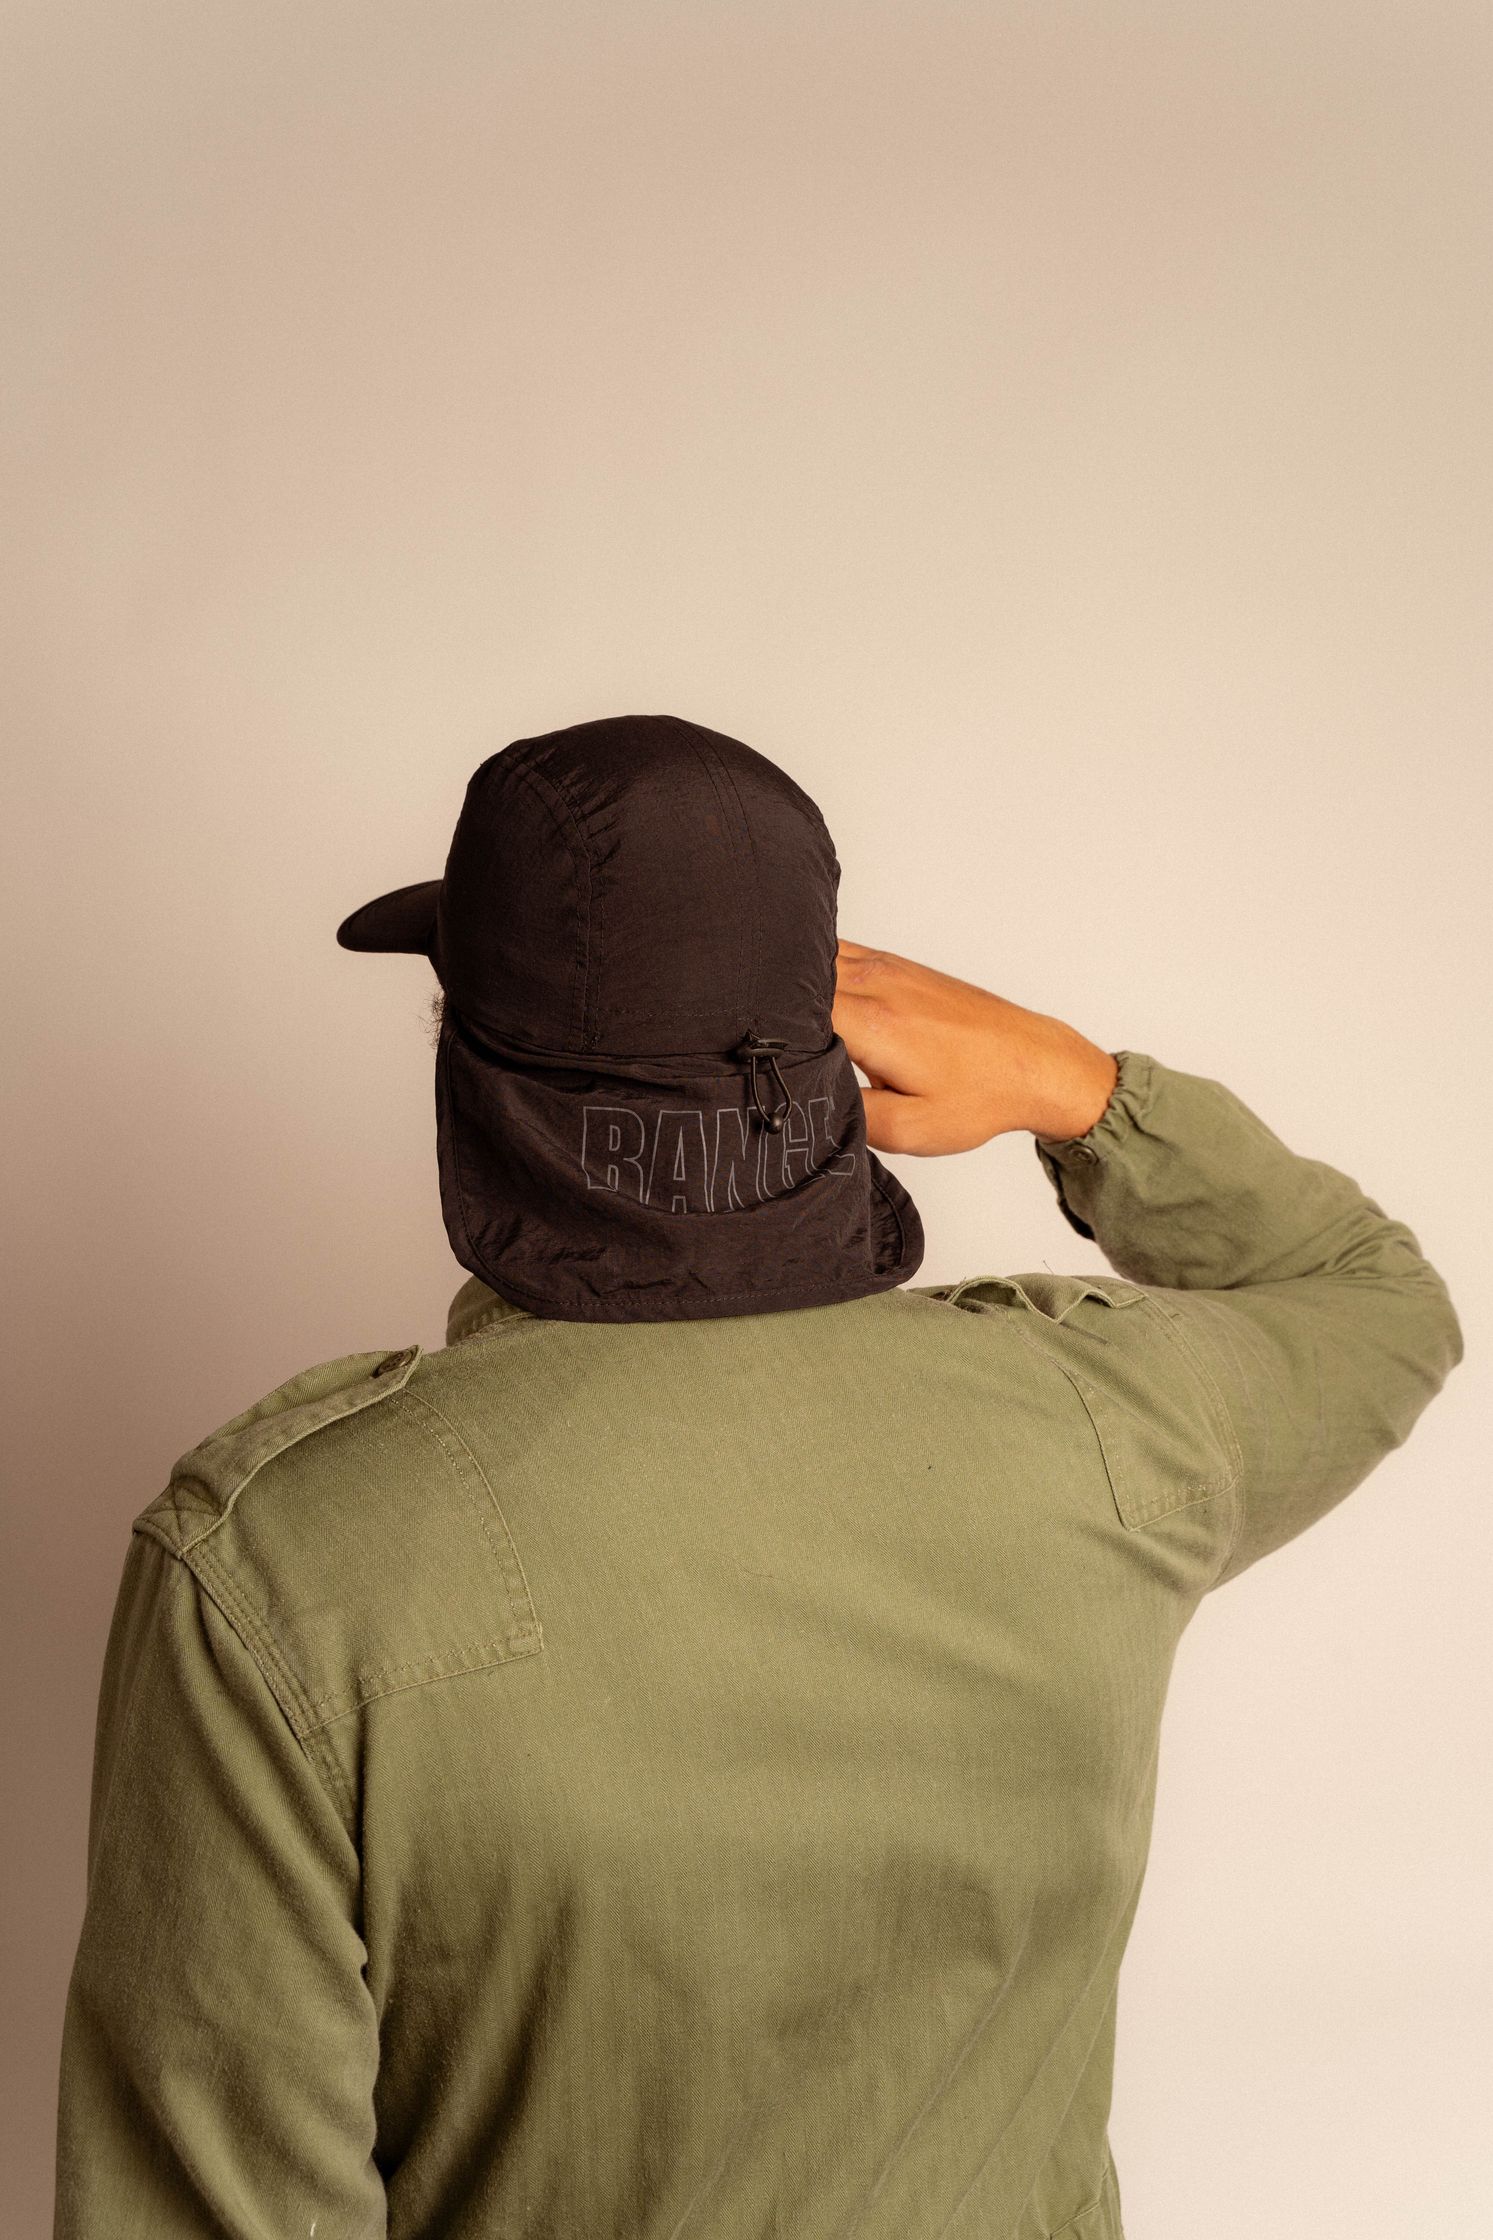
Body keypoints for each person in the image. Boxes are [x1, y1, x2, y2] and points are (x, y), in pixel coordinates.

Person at [54, 714, 1463, 2240]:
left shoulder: (280, 1561)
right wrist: (1070, 1083)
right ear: (832, 1045)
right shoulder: (1108, 1424)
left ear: (475, 1082)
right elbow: (1372, 1300)